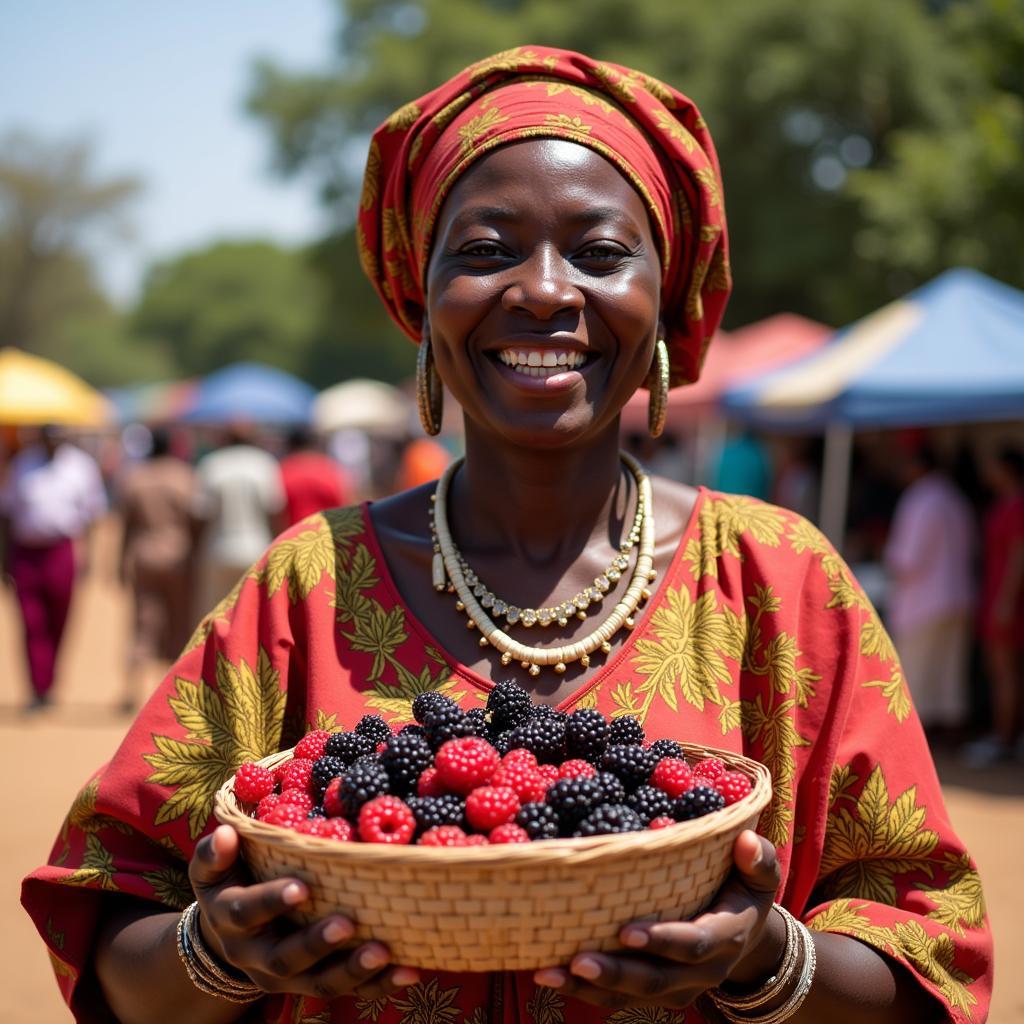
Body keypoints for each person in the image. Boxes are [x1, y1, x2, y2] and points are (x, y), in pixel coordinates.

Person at [22, 47, 991, 1023]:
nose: (542, 290)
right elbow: (117, 945)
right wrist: (218, 949)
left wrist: (766, 958)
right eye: (486, 250)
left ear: (665, 297)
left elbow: (924, 963)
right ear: (422, 302)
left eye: (600, 253)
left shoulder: (781, 585)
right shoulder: (307, 588)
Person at [0, 425, 107, 710]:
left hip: (61, 551)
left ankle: (49, 680)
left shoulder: (81, 467)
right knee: (31, 621)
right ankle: (37, 687)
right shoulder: (23, 464)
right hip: (26, 553)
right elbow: (7, 515)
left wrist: (90, 558)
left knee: (60, 618)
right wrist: (5, 559)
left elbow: (92, 517)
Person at [883, 443, 975, 735]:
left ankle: (915, 737)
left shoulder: (920, 499)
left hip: (923, 600)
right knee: (950, 672)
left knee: (917, 672)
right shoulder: (954, 497)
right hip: (958, 596)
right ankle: (951, 731)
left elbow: (907, 558)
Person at [117, 427, 200, 712]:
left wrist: (120, 562)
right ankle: (177, 695)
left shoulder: (136, 478)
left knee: (143, 624)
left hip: (144, 556)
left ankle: (131, 691)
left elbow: (126, 527)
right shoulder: (185, 477)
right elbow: (196, 521)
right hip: (179, 556)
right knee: (180, 626)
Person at [963, 445, 1024, 766]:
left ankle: (1004, 737)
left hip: (1005, 599)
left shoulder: (1016, 507)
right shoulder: (1005, 504)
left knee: (1004, 671)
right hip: (998, 595)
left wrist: (1005, 601)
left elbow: (1018, 555)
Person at [193, 425, 285, 616]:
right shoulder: (264, 464)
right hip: (257, 549)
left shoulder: (212, 464)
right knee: (254, 614)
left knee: (217, 616)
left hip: (219, 549)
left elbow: (201, 514)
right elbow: (275, 510)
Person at [278, 426, 352, 527]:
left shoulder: (283, 469)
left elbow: (277, 510)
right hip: (330, 532)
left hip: (293, 535)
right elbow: (345, 501)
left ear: (290, 445)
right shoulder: (329, 467)